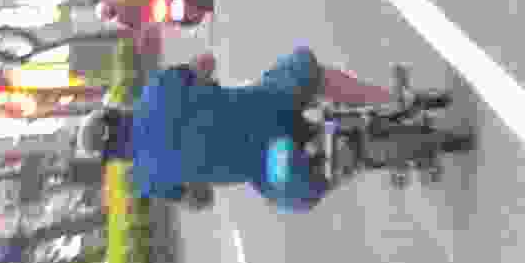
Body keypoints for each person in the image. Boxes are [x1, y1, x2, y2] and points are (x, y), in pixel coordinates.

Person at [87, 49, 392, 212]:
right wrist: (203, 74)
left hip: (273, 163)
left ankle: (349, 166)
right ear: (116, 113)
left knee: (300, 194)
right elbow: (205, 62)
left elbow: (199, 201)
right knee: (309, 71)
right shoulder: (157, 90)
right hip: (271, 103)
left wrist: (199, 181)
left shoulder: (147, 179)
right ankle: (388, 101)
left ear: (113, 156)